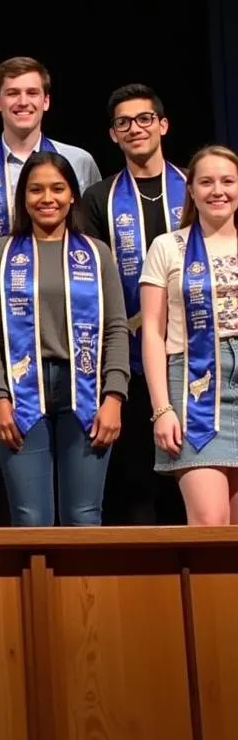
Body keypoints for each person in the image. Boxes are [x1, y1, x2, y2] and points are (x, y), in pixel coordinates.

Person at [0, 151, 129, 526]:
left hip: (85, 389)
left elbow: (115, 327)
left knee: (84, 515)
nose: (48, 198)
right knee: (30, 518)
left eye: (58, 188)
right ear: (23, 198)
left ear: (73, 195)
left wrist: (114, 397)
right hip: (21, 391)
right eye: (36, 190)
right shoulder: (0, 253)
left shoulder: (96, 254)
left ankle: (84, 589)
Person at [79, 84, 186, 525]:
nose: (135, 129)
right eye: (124, 123)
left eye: (144, 119)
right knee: (138, 481)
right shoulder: (99, 199)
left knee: (194, 473)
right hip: (128, 352)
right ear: (112, 135)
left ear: (162, 125)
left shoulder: (196, 189)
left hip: (195, 354)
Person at [140, 145, 238, 525]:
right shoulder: (168, 246)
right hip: (194, 385)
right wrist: (162, 408)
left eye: (228, 181)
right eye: (207, 182)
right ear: (192, 191)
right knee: (211, 523)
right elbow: (151, 330)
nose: (218, 190)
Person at [0, 57, 101, 235]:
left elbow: (91, 229)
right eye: (13, 93)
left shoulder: (79, 161)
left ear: (46, 101)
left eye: (32, 93)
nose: (23, 102)